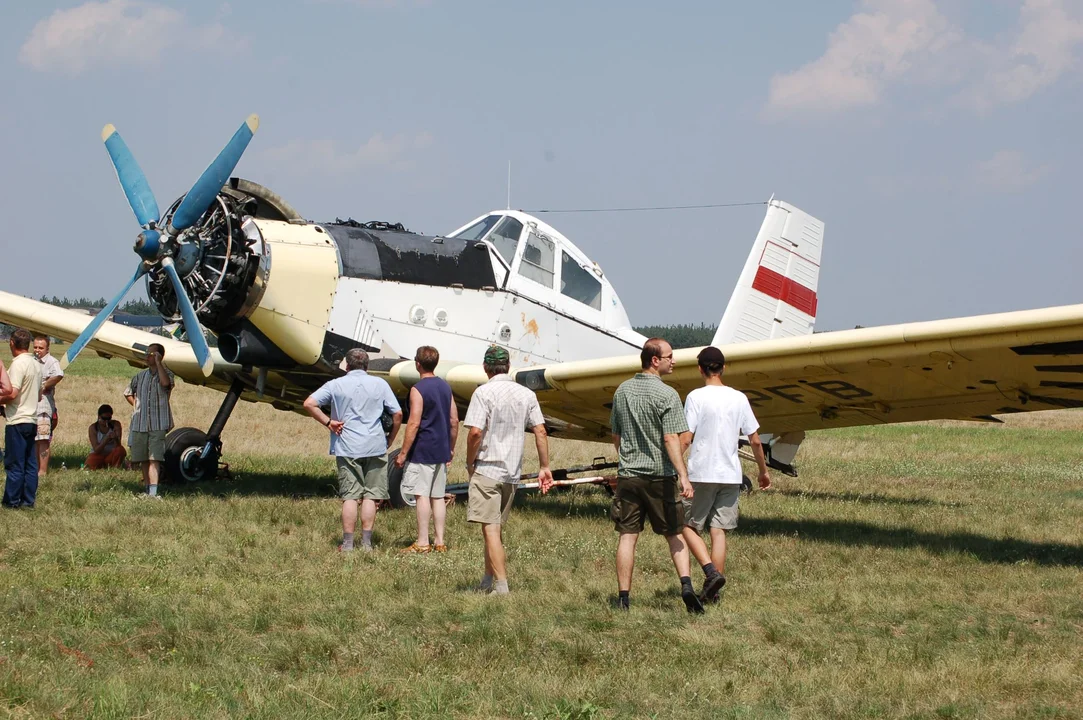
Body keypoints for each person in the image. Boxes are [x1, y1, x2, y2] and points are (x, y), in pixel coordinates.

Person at [610, 337, 705, 613]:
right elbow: (671, 439)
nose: (673, 361)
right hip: (660, 476)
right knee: (675, 534)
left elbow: (616, 436)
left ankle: (624, 598)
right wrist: (683, 476)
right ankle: (686, 586)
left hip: (629, 475)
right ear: (655, 360)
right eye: (669, 357)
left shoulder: (622, 391)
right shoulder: (668, 395)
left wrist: (626, 458)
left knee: (627, 536)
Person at [679, 346, 771, 604]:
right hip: (730, 475)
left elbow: (687, 437)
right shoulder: (739, 398)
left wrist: (674, 463)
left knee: (686, 526)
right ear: (723, 368)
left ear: (700, 369)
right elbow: (754, 439)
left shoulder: (696, 397)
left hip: (701, 472)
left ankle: (710, 572)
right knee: (718, 531)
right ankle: (714, 591)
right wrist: (762, 472)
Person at [463, 345, 553, 595]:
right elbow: (541, 431)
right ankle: (487, 579)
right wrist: (545, 466)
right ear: (509, 366)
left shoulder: (483, 393)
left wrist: (470, 462)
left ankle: (501, 586)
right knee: (494, 528)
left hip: (488, 469)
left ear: (485, 367)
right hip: (511, 472)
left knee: (490, 529)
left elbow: (475, 432)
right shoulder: (527, 395)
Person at [304, 348, 402, 552]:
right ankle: (366, 543)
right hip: (375, 444)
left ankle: (348, 543)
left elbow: (310, 403)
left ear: (347, 365)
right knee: (371, 495)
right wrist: (391, 438)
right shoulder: (380, 384)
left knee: (350, 496)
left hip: (347, 445)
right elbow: (397, 413)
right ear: (367, 365)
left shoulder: (336, 384)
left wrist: (328, 422)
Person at [395, 346, 459, 554]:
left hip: (423, 449)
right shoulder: (445, 387)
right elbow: (454, 420)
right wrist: (450, 447)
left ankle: (423, 542)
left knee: (421, 495)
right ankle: (440, 541)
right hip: (441, 449)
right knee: (438, 496)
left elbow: (413, 423)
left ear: (417, 364)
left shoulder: (418, 389)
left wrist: (403, 453)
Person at [124, 343, 174, 498]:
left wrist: (159, 364)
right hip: (140, 423)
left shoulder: (167, 374)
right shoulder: (140, 376)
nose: (147, 356)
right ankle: (147, 489)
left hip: (158, 423)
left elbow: (166, 384)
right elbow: (127, 392)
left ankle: (154, 492)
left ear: (159, 356)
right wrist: (137, 406)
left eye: (151, 354)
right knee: (143, 458)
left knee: (154, 458)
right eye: (147, 354)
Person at [2, 329, 44, 508]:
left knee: (14, 463)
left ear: (12, 342)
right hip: (32, 419)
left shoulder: (18, 364)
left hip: (17, 420)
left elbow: (12, 393)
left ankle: (12, 501)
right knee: (30, 463)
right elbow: (40, 395)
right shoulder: (36, 364)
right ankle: (28, 500)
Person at [32, 335, 64, 478]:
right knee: (33, 439)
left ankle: (43, 471)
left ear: (47, 348)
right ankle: (34, 467)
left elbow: (58, 375)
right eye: (35, 347)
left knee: (43, 438)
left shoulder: (51, 362)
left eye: (41, 347)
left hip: (43, 406)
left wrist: (44, 385)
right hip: (31, 406)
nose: (37, 350)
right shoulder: (31, 360)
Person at [86, 404, 127, 470]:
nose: (106, 421)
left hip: (111, 455)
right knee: (90, 464)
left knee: (120, 450)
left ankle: (115, 467)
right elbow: (96, 450)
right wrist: (106, 440)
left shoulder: (116, 425)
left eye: (109, 419)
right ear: (99, 417)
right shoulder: (93, 428)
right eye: (104, 419)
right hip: (98, 455)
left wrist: (115, 438)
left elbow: (118, 446)